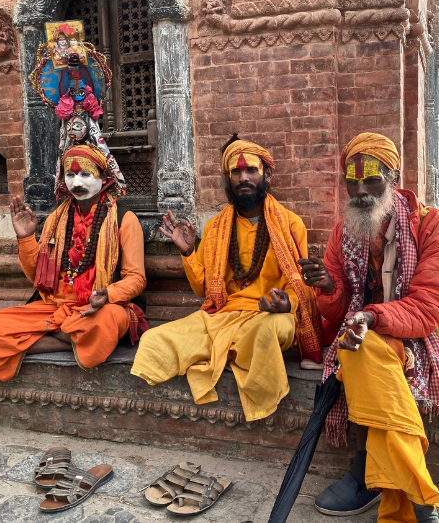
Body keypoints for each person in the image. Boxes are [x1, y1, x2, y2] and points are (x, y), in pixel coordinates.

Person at [299, 133, 439, 522]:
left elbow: (429, 307)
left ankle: (364, 473)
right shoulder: (342, 232)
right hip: (362, 333)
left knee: (361, 351)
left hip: (414, 335)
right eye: (351, 182)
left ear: (395, 175)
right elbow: (336, 313)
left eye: (372, 179)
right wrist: (328, 288)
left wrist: (371, 317)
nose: (360, 191)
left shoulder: (430, 224)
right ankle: (420, 498)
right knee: (357, 349)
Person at [130, 137, 324, 422]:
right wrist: (188, 252)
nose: (243, 178)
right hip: (220, 317)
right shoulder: (216, 226)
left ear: (267, 176)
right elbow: (204, 290)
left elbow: (298, 285)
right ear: (228, 178)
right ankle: (230, 352)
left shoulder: (290, 224)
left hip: (267, 317)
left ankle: (231, 359)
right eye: (235, 172)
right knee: (154, 340)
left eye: (251, 171)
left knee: (268, 332)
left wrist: (286, 305)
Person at [0, 145, 147, 381]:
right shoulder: (56, 219)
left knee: (108, 321)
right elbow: (38, 277)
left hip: (96, 309)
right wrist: (26, 237)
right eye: (70, 175)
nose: (76, 182)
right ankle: (69, 339)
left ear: (104, 177)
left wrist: (108, 294)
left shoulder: (124, 219)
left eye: (85, 174)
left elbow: (136, 278)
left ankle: (33, 340)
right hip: (53, 308)